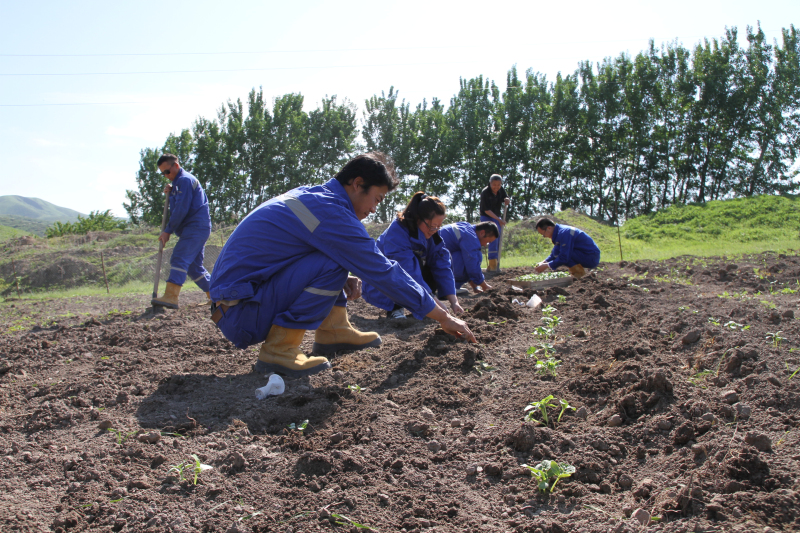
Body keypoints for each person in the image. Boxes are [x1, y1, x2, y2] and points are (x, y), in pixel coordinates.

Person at [208, 153, 476, 378]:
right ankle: (279, 351)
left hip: (235, 302)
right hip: (241, 313)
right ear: (358, 184)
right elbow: (382, 269)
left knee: (336, 261)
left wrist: (340, 278)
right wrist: (442, 315)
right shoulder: (331, 212)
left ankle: (334, 332)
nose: (374, 209)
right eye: (377, 199)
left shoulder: (316, 198)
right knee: (334, 260)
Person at [362, 193, 463, 320]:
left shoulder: (433, 236)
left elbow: (442, 266)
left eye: (438, 227)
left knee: (435, 262)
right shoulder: (397, 232)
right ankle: (395, 308)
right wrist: (436, 304)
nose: (434, 230)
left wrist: (454, 301)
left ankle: (424, 305)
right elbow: (406, 272)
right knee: (401, 271)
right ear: (418, 219)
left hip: (410, 277)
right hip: (380, 282)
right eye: (432, 226)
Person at [151, 154, 212, 309]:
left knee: (179, 258)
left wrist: (168, 231)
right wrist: (170, 194)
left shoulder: (184, 180)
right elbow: (178, 205)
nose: (166, 176)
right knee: (194, 267)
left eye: (167, 172)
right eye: (163, 173)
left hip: (195, 227)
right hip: (197, 228)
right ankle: (217, 295)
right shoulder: (179, 183)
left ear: (176, 166)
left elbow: (181, 210)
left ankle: (171, 297)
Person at [439, 221, 499, 294]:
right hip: (435, 264)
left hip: (433, 262)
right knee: (477, 256)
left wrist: (475, 287)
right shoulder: (471, 237)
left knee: (469, 257)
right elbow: (472, 265)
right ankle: (450, 288)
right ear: (482, 233)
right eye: (488, 241)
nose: (485, 245)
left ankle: (450, 286)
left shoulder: (466, 227)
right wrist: (484, 286)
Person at [534, 217, 601, 278]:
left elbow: (564, 257)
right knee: (562, 253)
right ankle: (577, 276)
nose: (544, 236)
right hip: (584, 254)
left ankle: (579, 277)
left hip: (591, 256)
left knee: (566, 256)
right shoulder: (559, 232)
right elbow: (555, 253)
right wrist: (543, 262)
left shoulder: (564, 233)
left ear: (549, 228)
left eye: (543, 234)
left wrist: (547, 265)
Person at [479, 174, 511, 270]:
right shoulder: (485, 192)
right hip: (487, 217)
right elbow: (486, 210)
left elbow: (506, 198)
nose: (496, 187)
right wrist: (498, 219)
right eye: (494, 185)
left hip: (497, 217)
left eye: (498, 185)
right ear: (490, 183)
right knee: (493, 237)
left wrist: (507, 200)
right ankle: (492, 265)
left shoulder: (501, 190)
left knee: (498, 238)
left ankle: (496, 264)